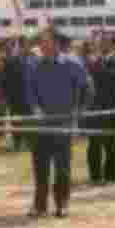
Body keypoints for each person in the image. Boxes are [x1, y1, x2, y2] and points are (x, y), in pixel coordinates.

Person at [26, 28, 92, 218]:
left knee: (62, 167)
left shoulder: (72, 63)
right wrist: (35, 108)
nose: (42, 45)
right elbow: (30, 91)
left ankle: (62, 204)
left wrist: (80, 113)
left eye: (46, 42)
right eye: (41, 42)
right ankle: (39, 205)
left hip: (64, 123)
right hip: (40, 125)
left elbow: (88, 87)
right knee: (40, 167)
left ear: (56, 43)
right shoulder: (35, 65)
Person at [83, 39, 115, 185]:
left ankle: (104, 176)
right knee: (99, 144)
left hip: (106, 110)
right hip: (99, 110)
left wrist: (99, 68)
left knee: (105, 144)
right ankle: (102, 176)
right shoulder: (96, 64)